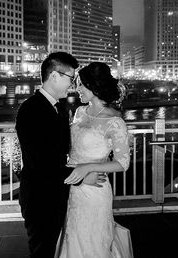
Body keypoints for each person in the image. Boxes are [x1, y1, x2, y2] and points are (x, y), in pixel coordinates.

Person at [15, 52, 105, 257]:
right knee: (42, 250)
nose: (72, 84)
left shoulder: (61, 108)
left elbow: (63, 151)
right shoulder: (31, 110)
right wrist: (82, 177)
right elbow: (41, 164)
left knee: (55, 246)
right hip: (40, 198)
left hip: (56, 193)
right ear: (54, 75)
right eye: (70, 78)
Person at [56, 62, 133, 258]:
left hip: (95, 190)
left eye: (81, 85)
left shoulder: (115, 122)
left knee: (93, 239)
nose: (77, 89)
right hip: (74, 185)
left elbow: (123, 163)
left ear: (94, 86)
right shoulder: (80, 111)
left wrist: (87, 167)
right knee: (72, 235)